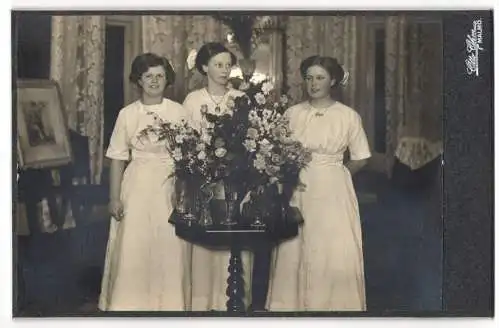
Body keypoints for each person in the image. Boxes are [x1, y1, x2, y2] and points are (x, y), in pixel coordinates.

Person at [266, 55, 371, 311]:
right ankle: (290, 308)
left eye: (320, 78)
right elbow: (276, 154)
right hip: (298, 188)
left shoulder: (348, 116)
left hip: (334, 190)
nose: (314, 84)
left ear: (332, 80)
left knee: (331, 246)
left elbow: (361, 157)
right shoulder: (292, 114)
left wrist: (334, 173)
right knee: (295, 246)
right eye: (309, 78)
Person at [98, 53, 192, 311]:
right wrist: (114, 198)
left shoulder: (178, 111)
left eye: (159, 75)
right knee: (134, 244)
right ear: (138, 80)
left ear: (167, 79)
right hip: (137, 184)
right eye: (148, 76)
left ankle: (170, 307)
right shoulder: (127, 114)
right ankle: (128, 306)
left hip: (169, 186)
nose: (154, 81)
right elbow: (117, 158)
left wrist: (183, 193)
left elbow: (187, 158)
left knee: (169, 244)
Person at [182, 42, 254, 311]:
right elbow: (186, 142)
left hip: (236, 180)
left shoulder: (240, 98)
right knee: (205, 240)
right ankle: (203, 303)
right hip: (204, 180)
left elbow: (251, 139)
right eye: (218, 65)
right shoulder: (192, 100)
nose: (225, 70)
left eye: (228, 65)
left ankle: (235, 304)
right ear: (204, 67)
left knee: (235, 239)